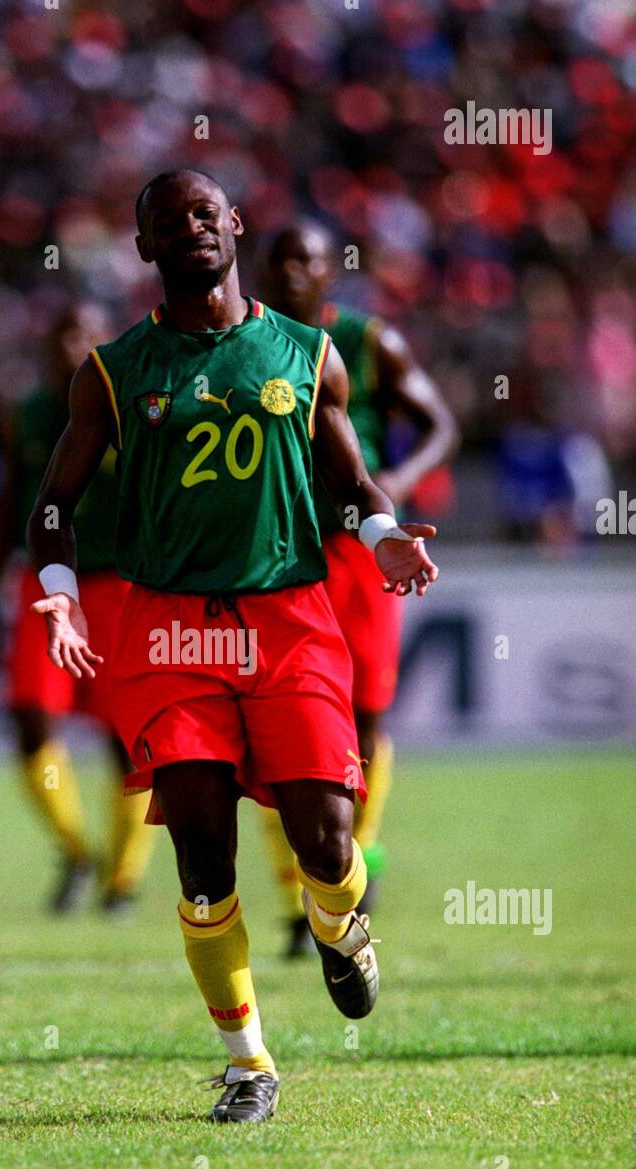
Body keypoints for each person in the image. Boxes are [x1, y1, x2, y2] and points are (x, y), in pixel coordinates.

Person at [28, 170, 438, 1122]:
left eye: (204, 213)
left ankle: (341, 923)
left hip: (289, 619)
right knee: (202, 846)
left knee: (326, 838)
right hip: (167, 629)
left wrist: (385, 539)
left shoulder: (308, 352)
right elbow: (54, 506)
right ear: (144, 250)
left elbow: (352, 482)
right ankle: (249, 1064)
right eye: (166, 221)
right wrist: (59, 593)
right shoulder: (113, 371)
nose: (189, 229)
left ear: (233, 226)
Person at [263, 221, 459, 955]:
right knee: (277, 721)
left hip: (356, 551)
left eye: (304, 261)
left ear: (329, 273)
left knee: (365, 710)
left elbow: (440, 423)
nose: (289, 272)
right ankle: (296, 897)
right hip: (277, 555)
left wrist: (398, 485)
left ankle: (357, 858)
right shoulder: (243, 346)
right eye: (277, 260)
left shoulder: (370, 342)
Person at [0, 301, 153, 914]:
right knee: (31, 721)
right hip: (43, 586)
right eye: (62, 330)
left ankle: (124, 880)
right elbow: (10, 508)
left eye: (85, 332)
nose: (71, 343)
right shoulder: (27, 416)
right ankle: (78, 850)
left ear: (106, 341)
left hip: (117, 586)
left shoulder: (131, 408)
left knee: (123, 738)